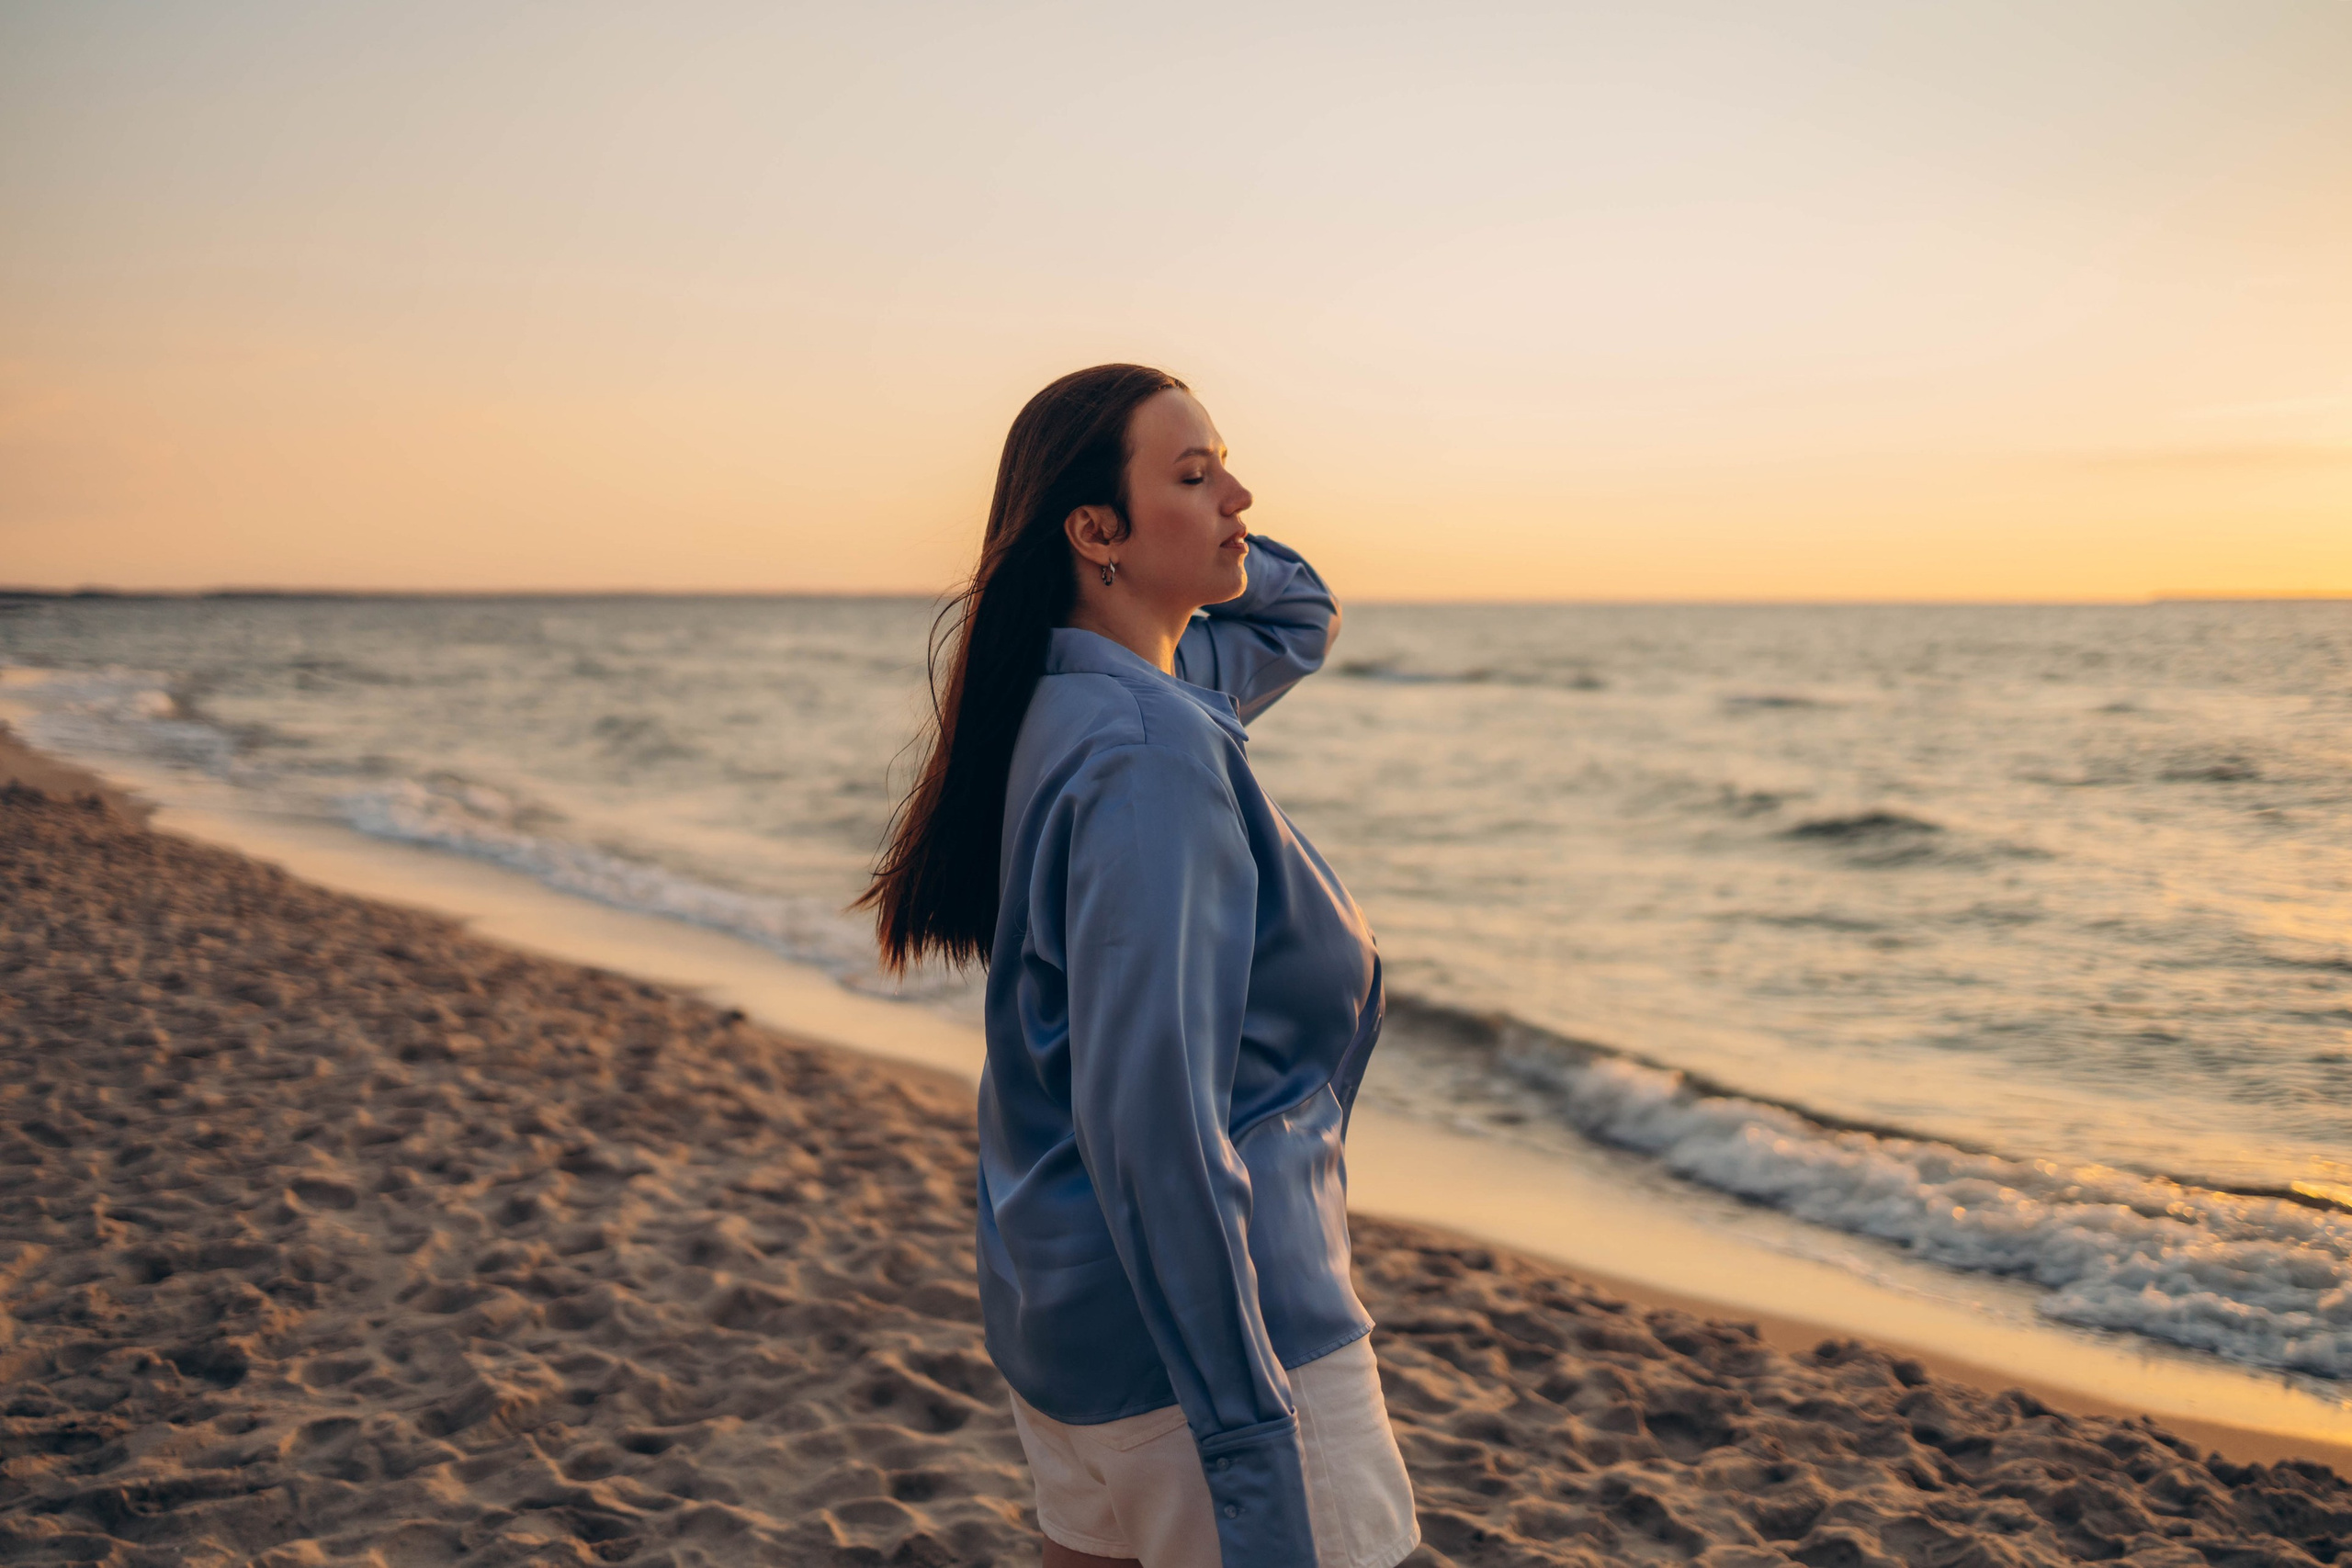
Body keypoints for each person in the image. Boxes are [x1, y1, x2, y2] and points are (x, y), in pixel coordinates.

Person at [860, 365, 1418, 1568]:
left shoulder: (1076, 695)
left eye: (1227, 466)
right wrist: (1246, 1437)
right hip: (1214, 1355)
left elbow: (1297, 614)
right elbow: (1155, 1121)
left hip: (1066, 1325)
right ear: (1094, 530)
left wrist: (1190, 533)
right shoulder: (1146, 751)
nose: (1242, 495)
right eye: (1196, 473)